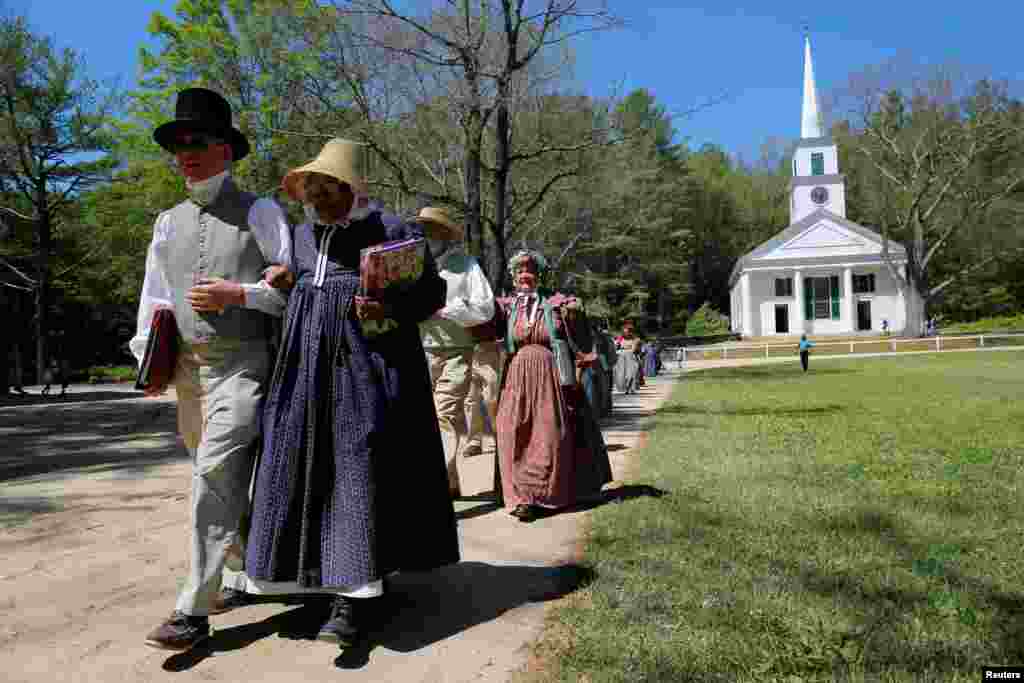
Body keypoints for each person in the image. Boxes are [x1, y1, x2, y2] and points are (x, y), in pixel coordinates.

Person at [242, 140, 460, 648]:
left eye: (325, 187)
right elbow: (304, 282)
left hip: (366, 363)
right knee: (300, 463)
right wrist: (286, 277)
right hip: (303, 365)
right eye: (309, 188)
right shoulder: (300, 234)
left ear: (350, 187)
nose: (315, 196)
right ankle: (314, 584)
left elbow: (430, 297)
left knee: (355, 465)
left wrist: (385, 306)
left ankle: (355, 599)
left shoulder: (393, 231)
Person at [133, 88, 293, 652]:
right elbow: (155, 301)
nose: (185, 153)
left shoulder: (261, 211)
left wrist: (240, 293)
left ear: (226, 150)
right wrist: (146, 358)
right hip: (187, 374)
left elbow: (290, 292)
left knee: (212, 478)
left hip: (245, 366)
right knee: (217, 480)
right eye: (177, 144)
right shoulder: (166, 223)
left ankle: (192, 610)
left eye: (196, 141)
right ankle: (246, 571)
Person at [495, 249, 612, 522]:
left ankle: (541, 496)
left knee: (547, 434)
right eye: (521, 272)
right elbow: (483, 323)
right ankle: (521, 495)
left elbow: (579, 331)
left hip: (551, 375)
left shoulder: (557, 303)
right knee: (512, 431)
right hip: (516, 377)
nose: (526, 276)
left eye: (531, 272)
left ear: (540, 276)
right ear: (513, 278)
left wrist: (574, 312)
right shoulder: (506, 307)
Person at [416, 206, 496, 496]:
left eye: (432, 228)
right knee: (425, 420)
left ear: (446, 233)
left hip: (456, 351)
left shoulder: (467, 265)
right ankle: (449, 483)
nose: (427, 235)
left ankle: (435, 486)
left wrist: (449, 311)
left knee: (446, 414)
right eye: (423, 229)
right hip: (418, 351)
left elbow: (485, 308)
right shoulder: (413, 264)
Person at [462, 339, 502, 458]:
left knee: (492, 398)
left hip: (487, 347)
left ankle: (500, 437)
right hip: (465, 351)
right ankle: (474, 442)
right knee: (470, 399)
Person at [613, 320, 642, 395]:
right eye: (624, 332)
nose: (626, 334)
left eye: (627, 332)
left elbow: (633, 350)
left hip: (631, 358)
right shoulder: (620, 338)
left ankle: (630, 388)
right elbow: (615, 348)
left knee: (631, 374)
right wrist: (617, 346)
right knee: (621, 375)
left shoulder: (635, 339)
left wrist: (622, 350)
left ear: (631, 332)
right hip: (621, 359)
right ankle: (625, 388)